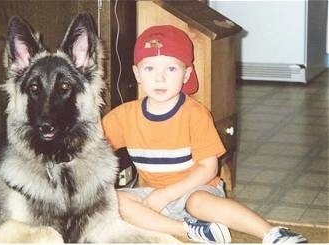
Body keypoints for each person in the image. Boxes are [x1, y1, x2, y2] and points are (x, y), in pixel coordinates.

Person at [101, 25, 307, 243]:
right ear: (137, 73)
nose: (159, 78)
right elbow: (91, 148)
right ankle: (188, 230)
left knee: (198, 202)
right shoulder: (123, 116)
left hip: (197, 189)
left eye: (171, 69)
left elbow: (208, 167)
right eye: (149, 68)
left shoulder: (195, 114)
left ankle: (272, 233)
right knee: (112, 201)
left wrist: (167, 195)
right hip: (151, 195)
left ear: (186, 74)